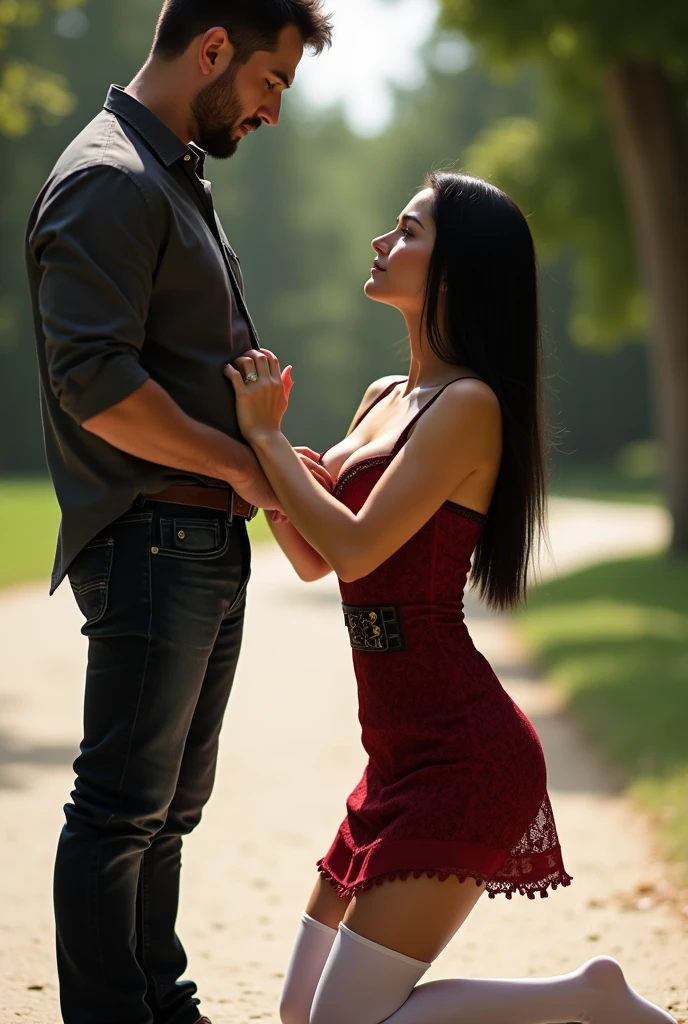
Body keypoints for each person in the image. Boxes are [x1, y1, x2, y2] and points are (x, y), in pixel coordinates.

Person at [225, 173, 677, 1024]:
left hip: (464, 753)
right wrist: (272, 475)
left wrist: (267, 439)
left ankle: (584, 1001)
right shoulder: (382, 399)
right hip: (396, 755)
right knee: (300, 1015)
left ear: (458, 269)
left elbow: (356, 543)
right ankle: (588, 999)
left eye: (405, 230)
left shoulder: (470, 406)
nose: (380, 243)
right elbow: (321, 562)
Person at [24, 2, 332, 1023]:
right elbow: (94, 382)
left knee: (165, 816)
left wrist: (265, 454)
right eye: (268, 83)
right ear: (211, 51)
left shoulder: (169, 178)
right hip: (153, 536)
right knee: (118, 811)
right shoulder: (111, 179)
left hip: (198, 537)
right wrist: (237, 468)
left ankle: (162, 1001)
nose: (272, 111)